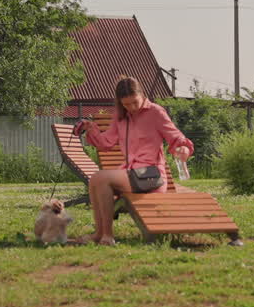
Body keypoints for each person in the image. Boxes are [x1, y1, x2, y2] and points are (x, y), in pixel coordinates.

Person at [77, 75, 194, 245]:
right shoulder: (120, 117)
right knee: (95, 179)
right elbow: (106, 143)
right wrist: (91, 129)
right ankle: (100, 234)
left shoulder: (156, 112)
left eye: (135, 102)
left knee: (100, 178)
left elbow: (174, 136)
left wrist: (183, 147)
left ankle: (107, 236)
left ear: (142, 94)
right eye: (126, 104)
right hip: (131, 174)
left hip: (151, 175)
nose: (132, 107)